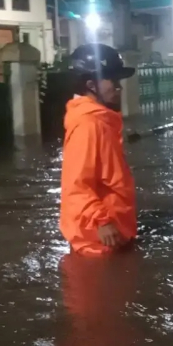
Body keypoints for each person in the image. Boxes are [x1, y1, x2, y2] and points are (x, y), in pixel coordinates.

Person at [59, 43, 138, 256]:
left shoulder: (101, 121)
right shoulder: (89, 124)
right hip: (99, 240)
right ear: (91, 84)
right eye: (113, 80)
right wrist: (101, 221)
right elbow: (76, 183)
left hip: (111, 233)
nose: (119, 87)